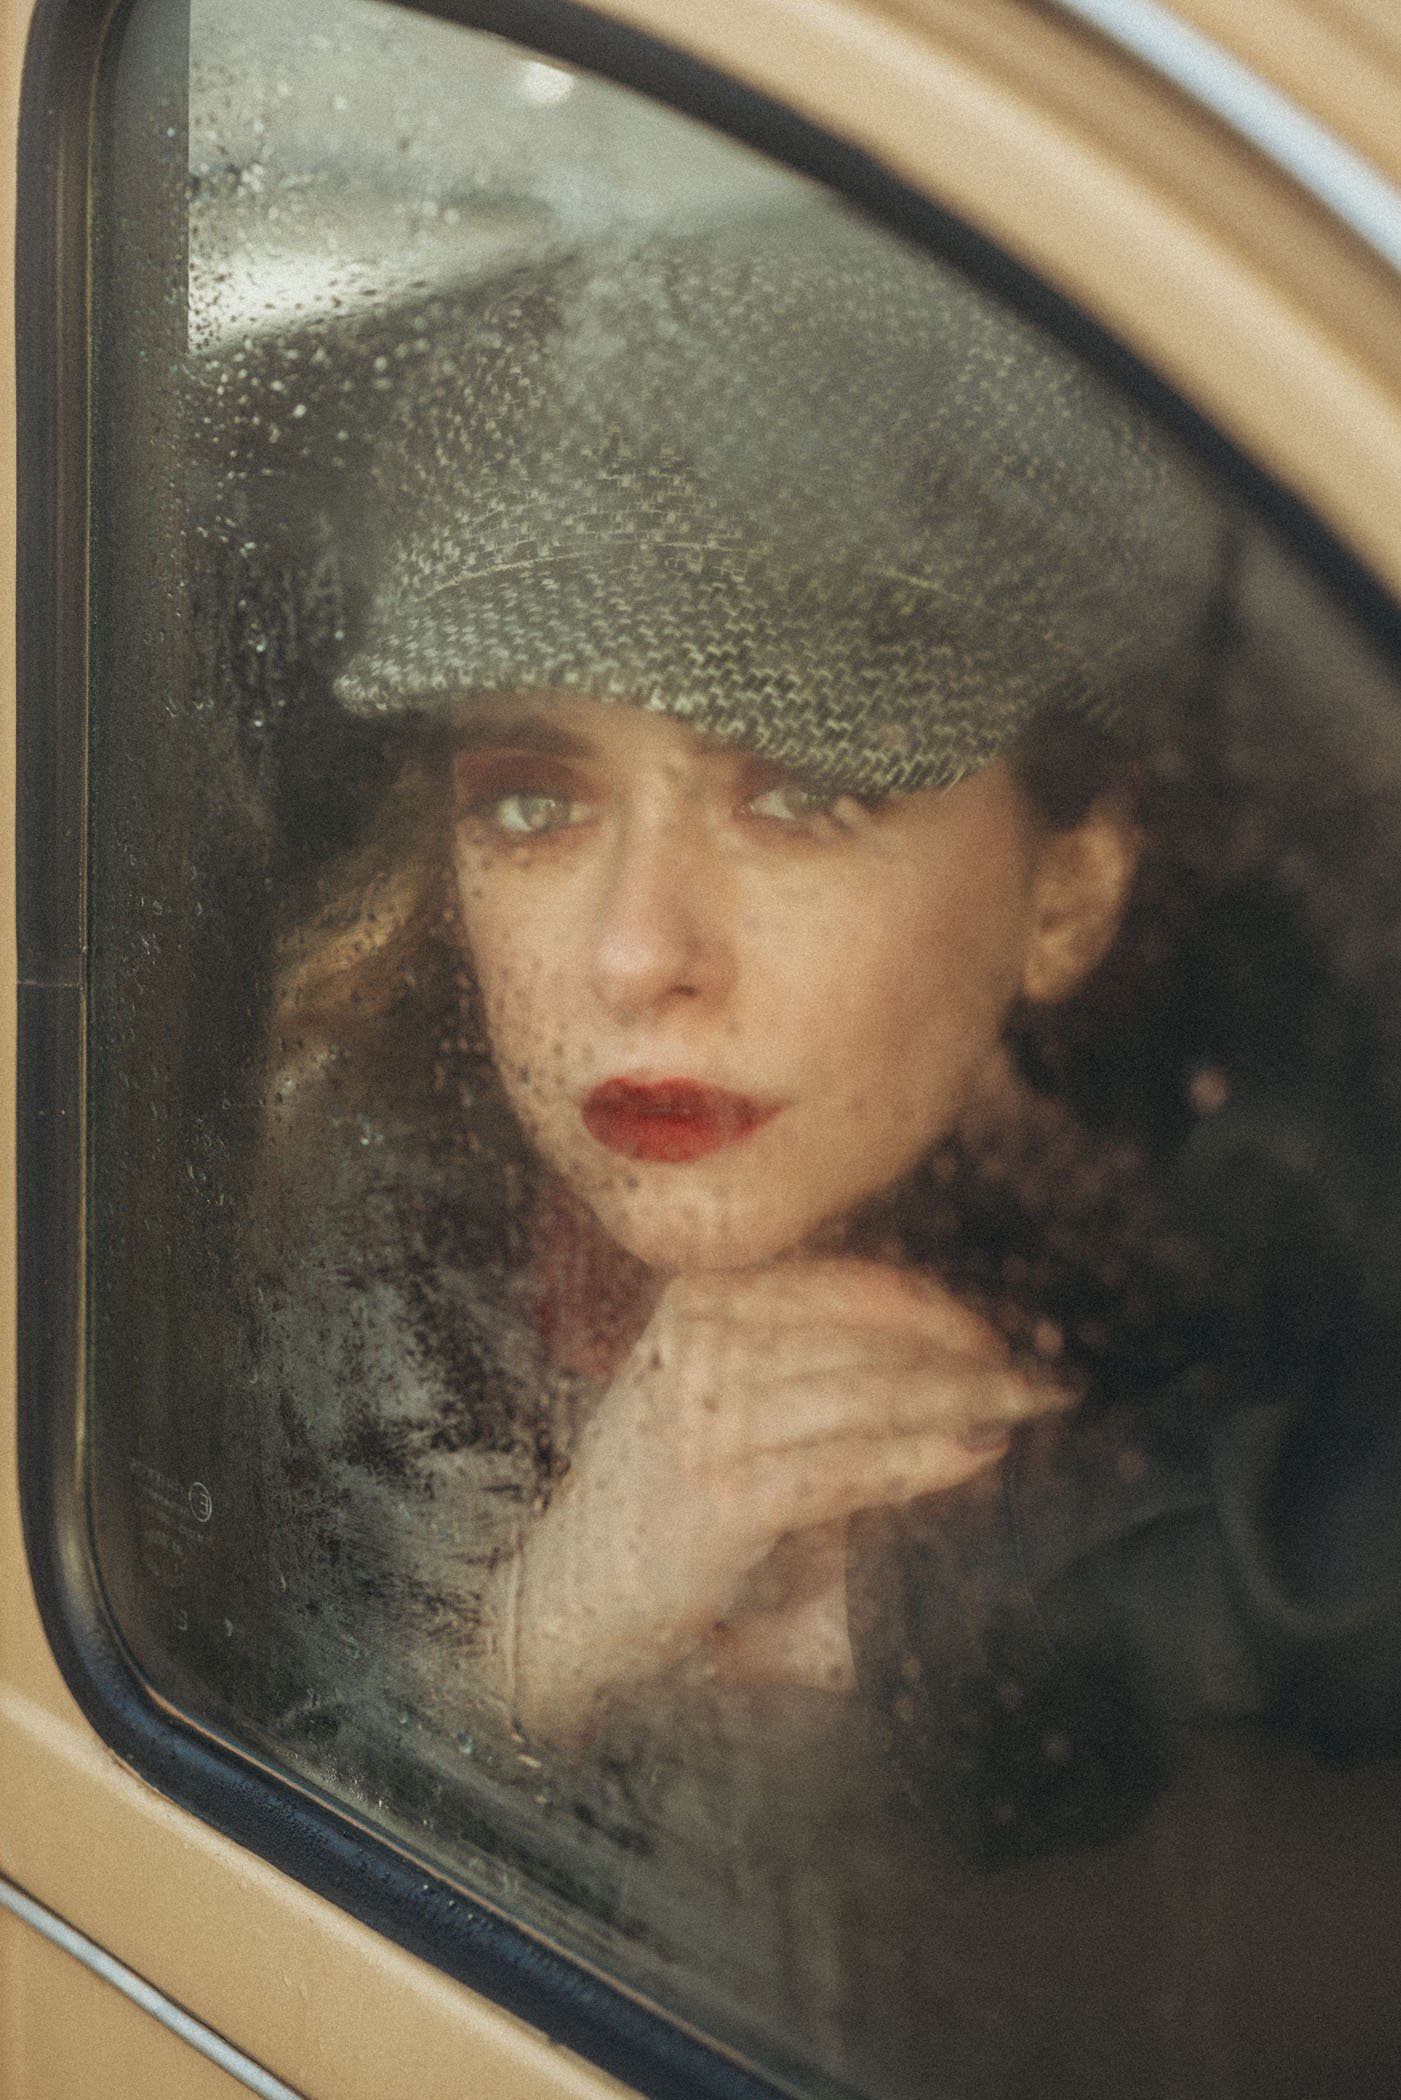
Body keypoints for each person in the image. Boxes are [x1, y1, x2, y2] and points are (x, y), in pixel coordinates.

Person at [219, 191, 1401, 2089]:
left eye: (800, 795)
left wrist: (968, 1602)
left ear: (1066, 893)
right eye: (531, 803)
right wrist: (539, 1638)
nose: (635, 957)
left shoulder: (1263, 1239)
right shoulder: (321, 1231)